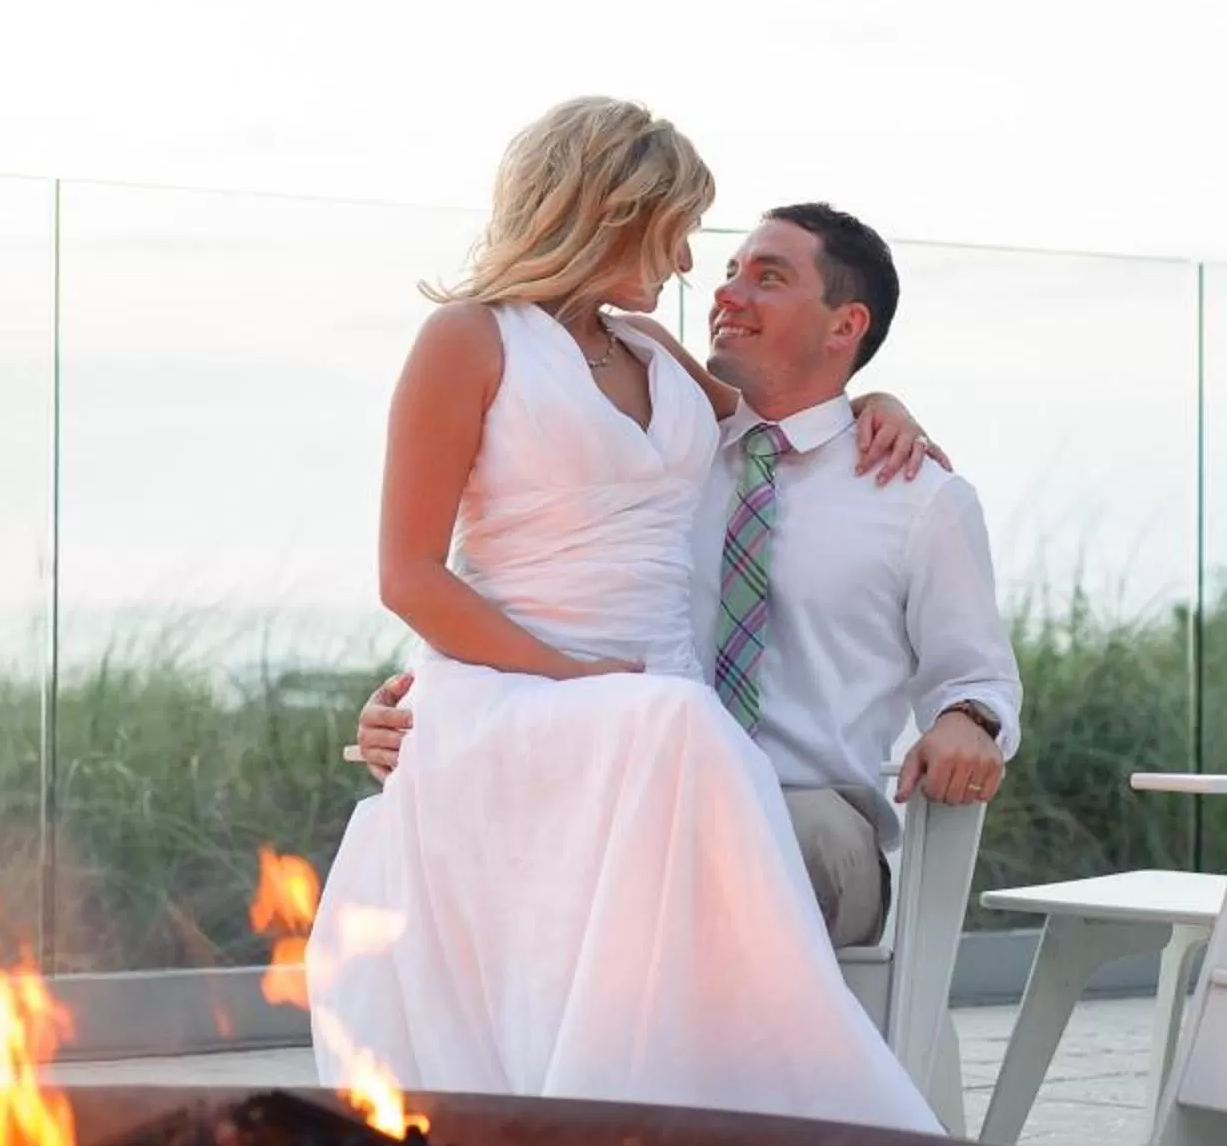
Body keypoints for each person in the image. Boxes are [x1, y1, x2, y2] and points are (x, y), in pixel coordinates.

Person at [304, 97, 942, 1134]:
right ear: (611, 212)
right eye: (675, 230)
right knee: (679, 724)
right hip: (521, 704)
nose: (689, 262)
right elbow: (409, 576)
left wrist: (881, 403)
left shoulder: (647, 346)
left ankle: (708, 1145)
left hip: (657, 720)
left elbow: (783, 420)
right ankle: (643, 1137)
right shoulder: (467, 340)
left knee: (680, 732)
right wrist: (579, 683)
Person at [353, 201, 1020, 953]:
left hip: (808, 817)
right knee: (557, 857)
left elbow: (980, 677)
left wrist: (971, 720)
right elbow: (554, 590)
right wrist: (432, 702)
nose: (724, 291)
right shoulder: (664, 459)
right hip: (633, 793)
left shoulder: (918, 498)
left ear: (846, 325)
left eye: (768, 277)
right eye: (731, 270)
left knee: (723, 861)